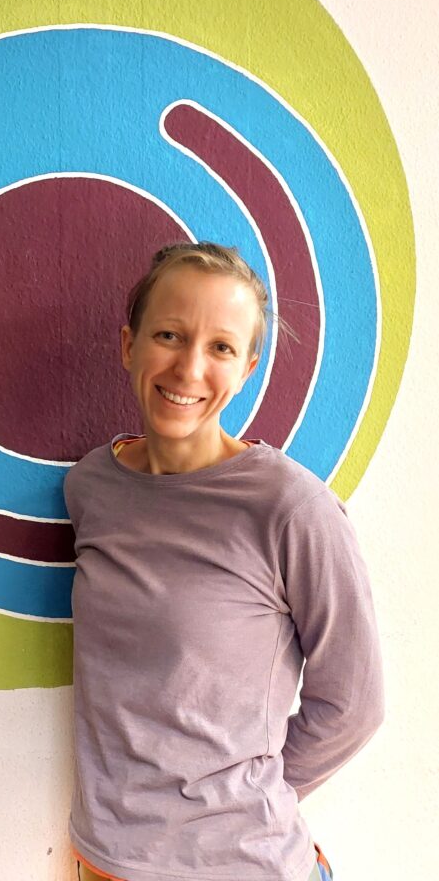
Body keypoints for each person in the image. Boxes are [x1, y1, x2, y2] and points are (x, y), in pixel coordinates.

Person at [65, 244, 383, 881]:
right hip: (103, 860)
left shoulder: (291, 508)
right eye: (169, 335)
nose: (189, 368)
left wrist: (244, 800)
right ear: (128, 345)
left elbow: (355, 704)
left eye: (221, 348)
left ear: (246, 369)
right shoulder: (92, 485)